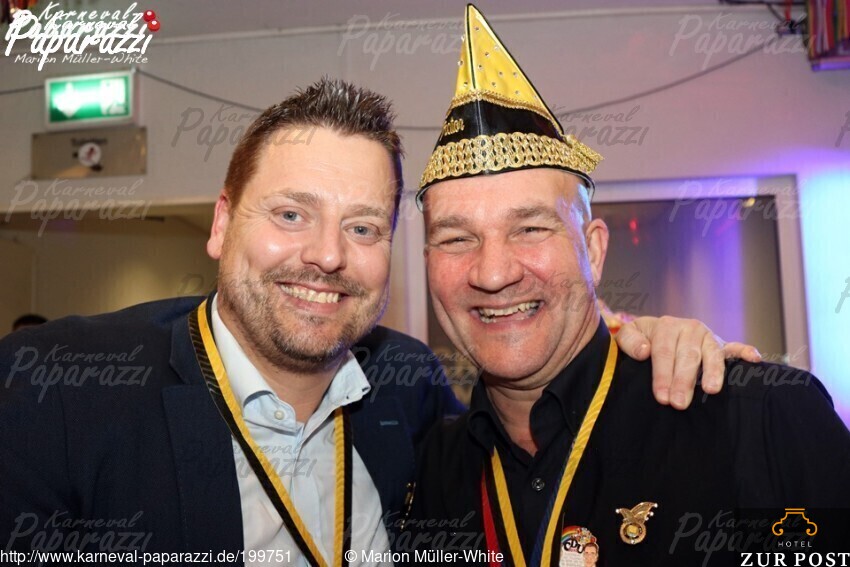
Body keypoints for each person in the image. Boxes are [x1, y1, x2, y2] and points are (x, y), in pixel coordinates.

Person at [0, 78, 753, 565]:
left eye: (363, 227)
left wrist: (638, 337)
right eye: (291, 214)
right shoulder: (56, 393)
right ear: (223, 223)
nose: (327, 256)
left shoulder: (408, 388)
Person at [408, 5, 850, 566]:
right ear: (428, 263)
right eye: (456, 238)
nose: (493, 273)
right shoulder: (432, 470)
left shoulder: (756, 418)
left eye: (530, 228)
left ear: (593, 251)